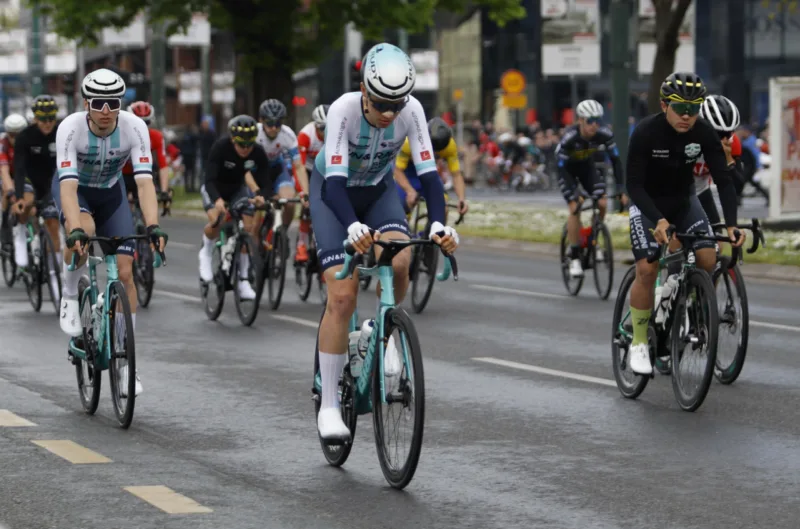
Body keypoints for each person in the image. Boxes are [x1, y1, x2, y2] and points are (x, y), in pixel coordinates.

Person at [311, 43, 459, 441]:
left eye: (397, 104)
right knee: (342, 295)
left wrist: (439, 225)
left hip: (378, 192)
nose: (390, 114)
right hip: (333, 195)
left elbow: (429, 177)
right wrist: (353, 227)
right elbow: (335, 186)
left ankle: (380, 330)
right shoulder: (343, 110)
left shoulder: (412, 111)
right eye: (381, 105)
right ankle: (329, 405)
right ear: (363, 90)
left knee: (400, 260)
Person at [54, 68, 168, 396]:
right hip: (76, 191)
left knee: (126, 273)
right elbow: (68, 187)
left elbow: (144, 184)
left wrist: (153, 225)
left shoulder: (135, 128)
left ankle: (126, 363)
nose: (106, 111)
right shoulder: (70, 129)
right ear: (85, 104)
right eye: (98, 104)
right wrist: (75, 229)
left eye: (113, 103)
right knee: (85, 231)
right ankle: (70, 294)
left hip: (111, 193)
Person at [625, 72, 745, 376]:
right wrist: (658, 219)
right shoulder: (645, 132)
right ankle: (638, 342)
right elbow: (634, 186)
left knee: (707, 256)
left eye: (694, 109)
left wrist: (732, 226)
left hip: (683, 201)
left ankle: (683, 303)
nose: (687, 116)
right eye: (680, 108)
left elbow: (724, 181)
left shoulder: (703, 132)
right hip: (648, 203)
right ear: (664, 105)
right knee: (647, 268)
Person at [197, 115, 272, 300]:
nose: (245, 149)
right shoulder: (220, 147)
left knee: (248, 228)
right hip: (215, 188)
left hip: (237, 190)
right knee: (218, 219)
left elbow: (265, 181)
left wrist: (261, 197)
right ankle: (206, 251)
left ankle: (243, 280)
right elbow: (209, 180)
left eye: (249, 145)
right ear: (232, 139)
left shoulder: (257, 152)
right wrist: (217, 200)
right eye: (241, 144)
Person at [555, 99, 625, 278]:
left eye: (597, 120)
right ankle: (575, 256)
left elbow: (616, 162)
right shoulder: (570, 138)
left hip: (587, 168)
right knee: (575, 207)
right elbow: (562, 168)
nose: (594, 125)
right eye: (590, 121)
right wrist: (574, 194)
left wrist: (620, 189)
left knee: (602, 203)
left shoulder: (604, 134)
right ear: (580, 120)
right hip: (567, 171)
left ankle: (594, 238)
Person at [10, 95, 61, 294]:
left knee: (53, 223)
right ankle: (20, 232)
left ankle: (55, 273)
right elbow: (19, 169)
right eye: (43, 119)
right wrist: (19, 197)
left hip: (51, 183)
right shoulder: (25, 137)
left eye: (51, 119)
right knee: (28, 202)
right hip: (30, 180)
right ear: (35, 118)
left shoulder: (61, 133)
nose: (47, 123)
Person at [255, 99, 310, 262]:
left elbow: (298, 166)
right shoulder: (254, 133)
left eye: (278, 123)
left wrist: (305, 192)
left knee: (290, 201)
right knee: (256, 210)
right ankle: (254, 246)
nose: (274, 128)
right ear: (261, 121)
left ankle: (281, 232)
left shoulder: (287, 134)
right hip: (256, 172)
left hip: (276, 170)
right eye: (270, 123)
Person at [393, 117, 469, 222]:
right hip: (409, 175)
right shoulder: (409, 143)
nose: (434, 154)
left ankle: (435, 230)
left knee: (443, 209)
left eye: (438, 152)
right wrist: (409, 190)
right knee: (401, 212)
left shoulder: (450, 146)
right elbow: (397, 171)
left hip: (430, 174)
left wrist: (461, 199)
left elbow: (456, 174)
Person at [695, 95, 745, 225]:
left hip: (702, 190)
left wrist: (728, 158)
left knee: (717, 235)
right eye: (719, 134)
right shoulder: (689, 139)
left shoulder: (732, 143)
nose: (724, 139)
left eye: (728, 134)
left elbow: (737, 186)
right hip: (675, 193)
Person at [121, 101, 170, 209]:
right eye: (137, 122)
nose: (141, 126)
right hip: (122, 175)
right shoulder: (121, 135)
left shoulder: (156, 136)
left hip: (144, 174)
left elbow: (163, 166)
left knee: (147, 207)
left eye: (146, 122)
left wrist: (164, 191)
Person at [296, 104, 328, 255]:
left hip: (326, 170)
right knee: (307, 205)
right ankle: (301, 244)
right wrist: (303, 192)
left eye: (329, 128)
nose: (325, 132)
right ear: (315, 125)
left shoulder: (338, 134)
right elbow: (299, 166)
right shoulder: (306, 135)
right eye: (322, 128)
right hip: (307, 170)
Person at [0, 114, 28, 255]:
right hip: (8, 175)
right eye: (12, 135)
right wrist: (11, 190)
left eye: (19, 135)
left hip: (25, 175)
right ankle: (5, 230)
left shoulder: (29, 142)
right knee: (7, 192)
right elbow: (4, 171)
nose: (15, 139)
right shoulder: (3, 145)